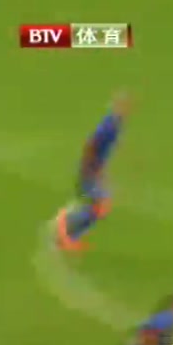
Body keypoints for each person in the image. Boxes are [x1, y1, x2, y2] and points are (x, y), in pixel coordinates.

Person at [56, 93, 131, 251]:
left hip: (96, 169)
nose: (126, 110)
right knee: (101, 205)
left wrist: (103, 172)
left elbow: (104, 149)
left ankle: (71, 235)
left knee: (102, 205)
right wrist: (90, 168)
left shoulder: (116, 125)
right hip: (90, 169)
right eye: (123, 106)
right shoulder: (109, 125)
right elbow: (91, 144)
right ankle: (67, 223)